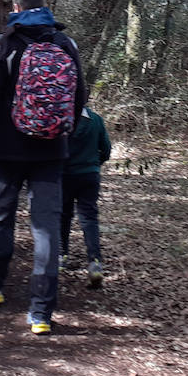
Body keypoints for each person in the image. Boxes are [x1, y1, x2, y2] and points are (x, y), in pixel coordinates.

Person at [0, 0, 86, 335]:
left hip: (8, 150)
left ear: (16, 6)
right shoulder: (65, 44)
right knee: (46, 227)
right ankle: (41, 313)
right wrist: (64, 132)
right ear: (46, 5)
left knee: (2, 215)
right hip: (51, 151)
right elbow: (80, 97)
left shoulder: (3, 44)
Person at [60, 106, 112, 288]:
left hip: (65, 176)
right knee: (89, 218)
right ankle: (95, 262)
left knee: (63, 216)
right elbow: (106, 149)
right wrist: (95, 164)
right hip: (90, 175)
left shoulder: (60, 117)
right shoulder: (95, 119)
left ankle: (61, 256)